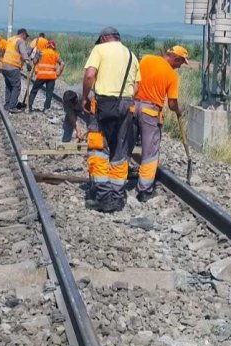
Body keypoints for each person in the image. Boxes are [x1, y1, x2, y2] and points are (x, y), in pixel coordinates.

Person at [81, 26, 140, 212]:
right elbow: (137, 86)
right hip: (127, 105)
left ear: (104, 38)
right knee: (119, 150)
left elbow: (90, 74)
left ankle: (104, 196)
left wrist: (84, 96)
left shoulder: (100, 49)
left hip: (104, 103)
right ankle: (117, 194)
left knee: (99, 147)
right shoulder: (131, 55)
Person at [132, 45, 189, 202]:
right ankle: (144, 190)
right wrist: (179, 110)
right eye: (180, 63)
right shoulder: (172, 76)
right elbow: (171, 103)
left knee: (125, 145)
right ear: (175, 58)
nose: (180, 66)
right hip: (150, 112)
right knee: (150, 153)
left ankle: (116, 182)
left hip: (132, 105)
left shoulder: (146, 59)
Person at [0, 28, 32, 114]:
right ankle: (12, 106)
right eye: (26, 36)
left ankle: (7, 105)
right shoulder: (20, 41)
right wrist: (28, 62)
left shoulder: (11, 39)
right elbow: (23, 53)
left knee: (9, 86)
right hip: (13, 66)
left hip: (4, 65)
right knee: (16, 86)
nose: (26, 38)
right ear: (23, 34)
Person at [28, 40, 65, 112]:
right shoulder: (55, 54)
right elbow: (62, 64)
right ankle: (46, 108)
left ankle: (29, 106)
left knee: (34, 90)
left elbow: (35, 61)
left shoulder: (41, 52)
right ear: (54, 47)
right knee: (49, 93)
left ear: (47, 45)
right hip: (51, 77)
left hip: (41, 75)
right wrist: (58, 73)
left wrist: (36, 61)